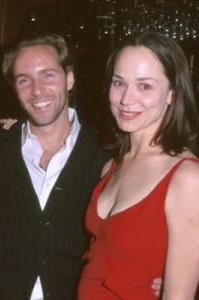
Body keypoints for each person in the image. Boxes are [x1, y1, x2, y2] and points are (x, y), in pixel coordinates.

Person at [0, 33, 162, 300]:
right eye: (24, 80)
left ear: (69, 79)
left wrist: (162, 268)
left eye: (48, 75)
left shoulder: (109, 154)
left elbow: (141, 222)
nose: (37, 90)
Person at [78, 31, 199, 299]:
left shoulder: (187, 177)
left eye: (145, 86)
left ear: (171, 94)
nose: (126, 99)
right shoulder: (111, 166)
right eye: (119, 82)